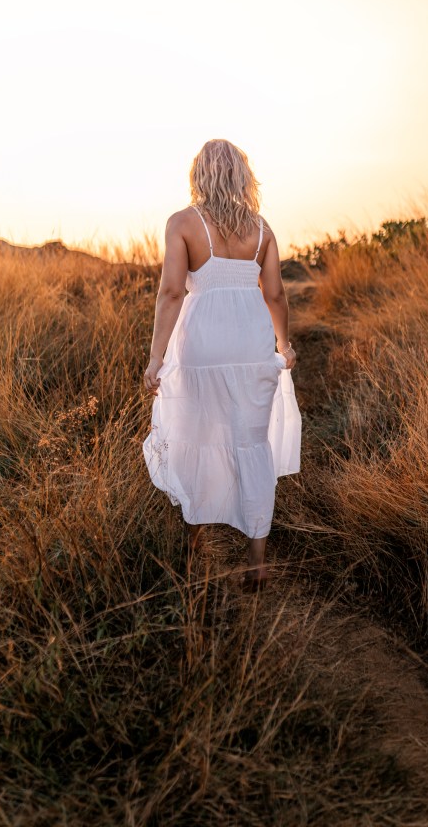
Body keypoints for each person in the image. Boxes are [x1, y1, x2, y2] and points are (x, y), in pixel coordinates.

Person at [142, 139, 298, 592]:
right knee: (250, 442)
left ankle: (195, 552)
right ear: (242, 175)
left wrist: (156, 358)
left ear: (200, 174)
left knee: (195, 436)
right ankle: (257, 564)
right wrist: (283, 346)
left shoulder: (183, 223)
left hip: (202, 347)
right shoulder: (262, 229)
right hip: (251, 345)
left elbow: (171, 293)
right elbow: (275, 295)